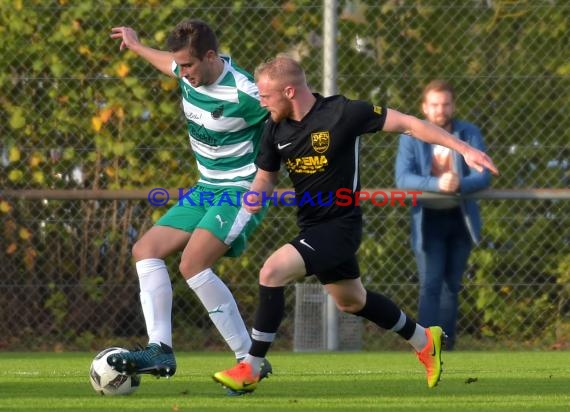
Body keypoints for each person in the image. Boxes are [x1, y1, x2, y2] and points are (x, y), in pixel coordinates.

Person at [212, 55, 498, 393]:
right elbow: (265, 178)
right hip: (312, 226)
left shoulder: (342, 113)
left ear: (289, 91)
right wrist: (251, 199)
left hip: (340, 227)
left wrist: (463, 149)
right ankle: (424, 339)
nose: (260, 102)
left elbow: (409, 123)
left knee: (271, 271)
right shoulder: (275, 127)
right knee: (351, 300)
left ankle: (252, 366)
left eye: (264, 95)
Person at [107, 19, 272, 384]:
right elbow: (166, 60)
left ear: (210, 56)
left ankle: (249, 360)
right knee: (145, 249)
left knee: (192, 264)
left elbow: (291, 114)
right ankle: (160, 350)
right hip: (206, 187)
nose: (182, 73)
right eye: (179, 66)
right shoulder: (186, 70)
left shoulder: (245, 92)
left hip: (241, 189)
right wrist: (135, 45)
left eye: (188, 66)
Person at [395, 80, 491, 350]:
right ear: (424, 107)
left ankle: (446, 346)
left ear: (453, 105)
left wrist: (460, 184)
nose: (441, 110)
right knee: (430, 283)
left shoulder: (468, 133)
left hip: (461, 219)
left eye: (446, 104)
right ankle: (425, 346)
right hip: (428, 221)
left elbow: (483, 176)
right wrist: (437, 185)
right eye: (435, 104)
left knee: (452, 285)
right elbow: (403, 179)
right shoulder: (411, 136)